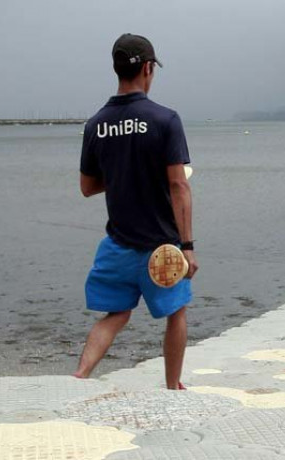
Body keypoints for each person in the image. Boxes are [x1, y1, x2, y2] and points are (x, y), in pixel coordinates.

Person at [73, 34, 197, 390]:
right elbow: (179, 185)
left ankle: (79, 377)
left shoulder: (97, 123)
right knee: (176, 313)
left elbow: (87, 187)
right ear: (147, 68)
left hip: (117, 243)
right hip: (161, 249)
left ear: (117, 69)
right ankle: (173, 386)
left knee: (116, 314)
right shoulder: (165, 119)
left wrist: (125, 173)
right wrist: (187, 246)